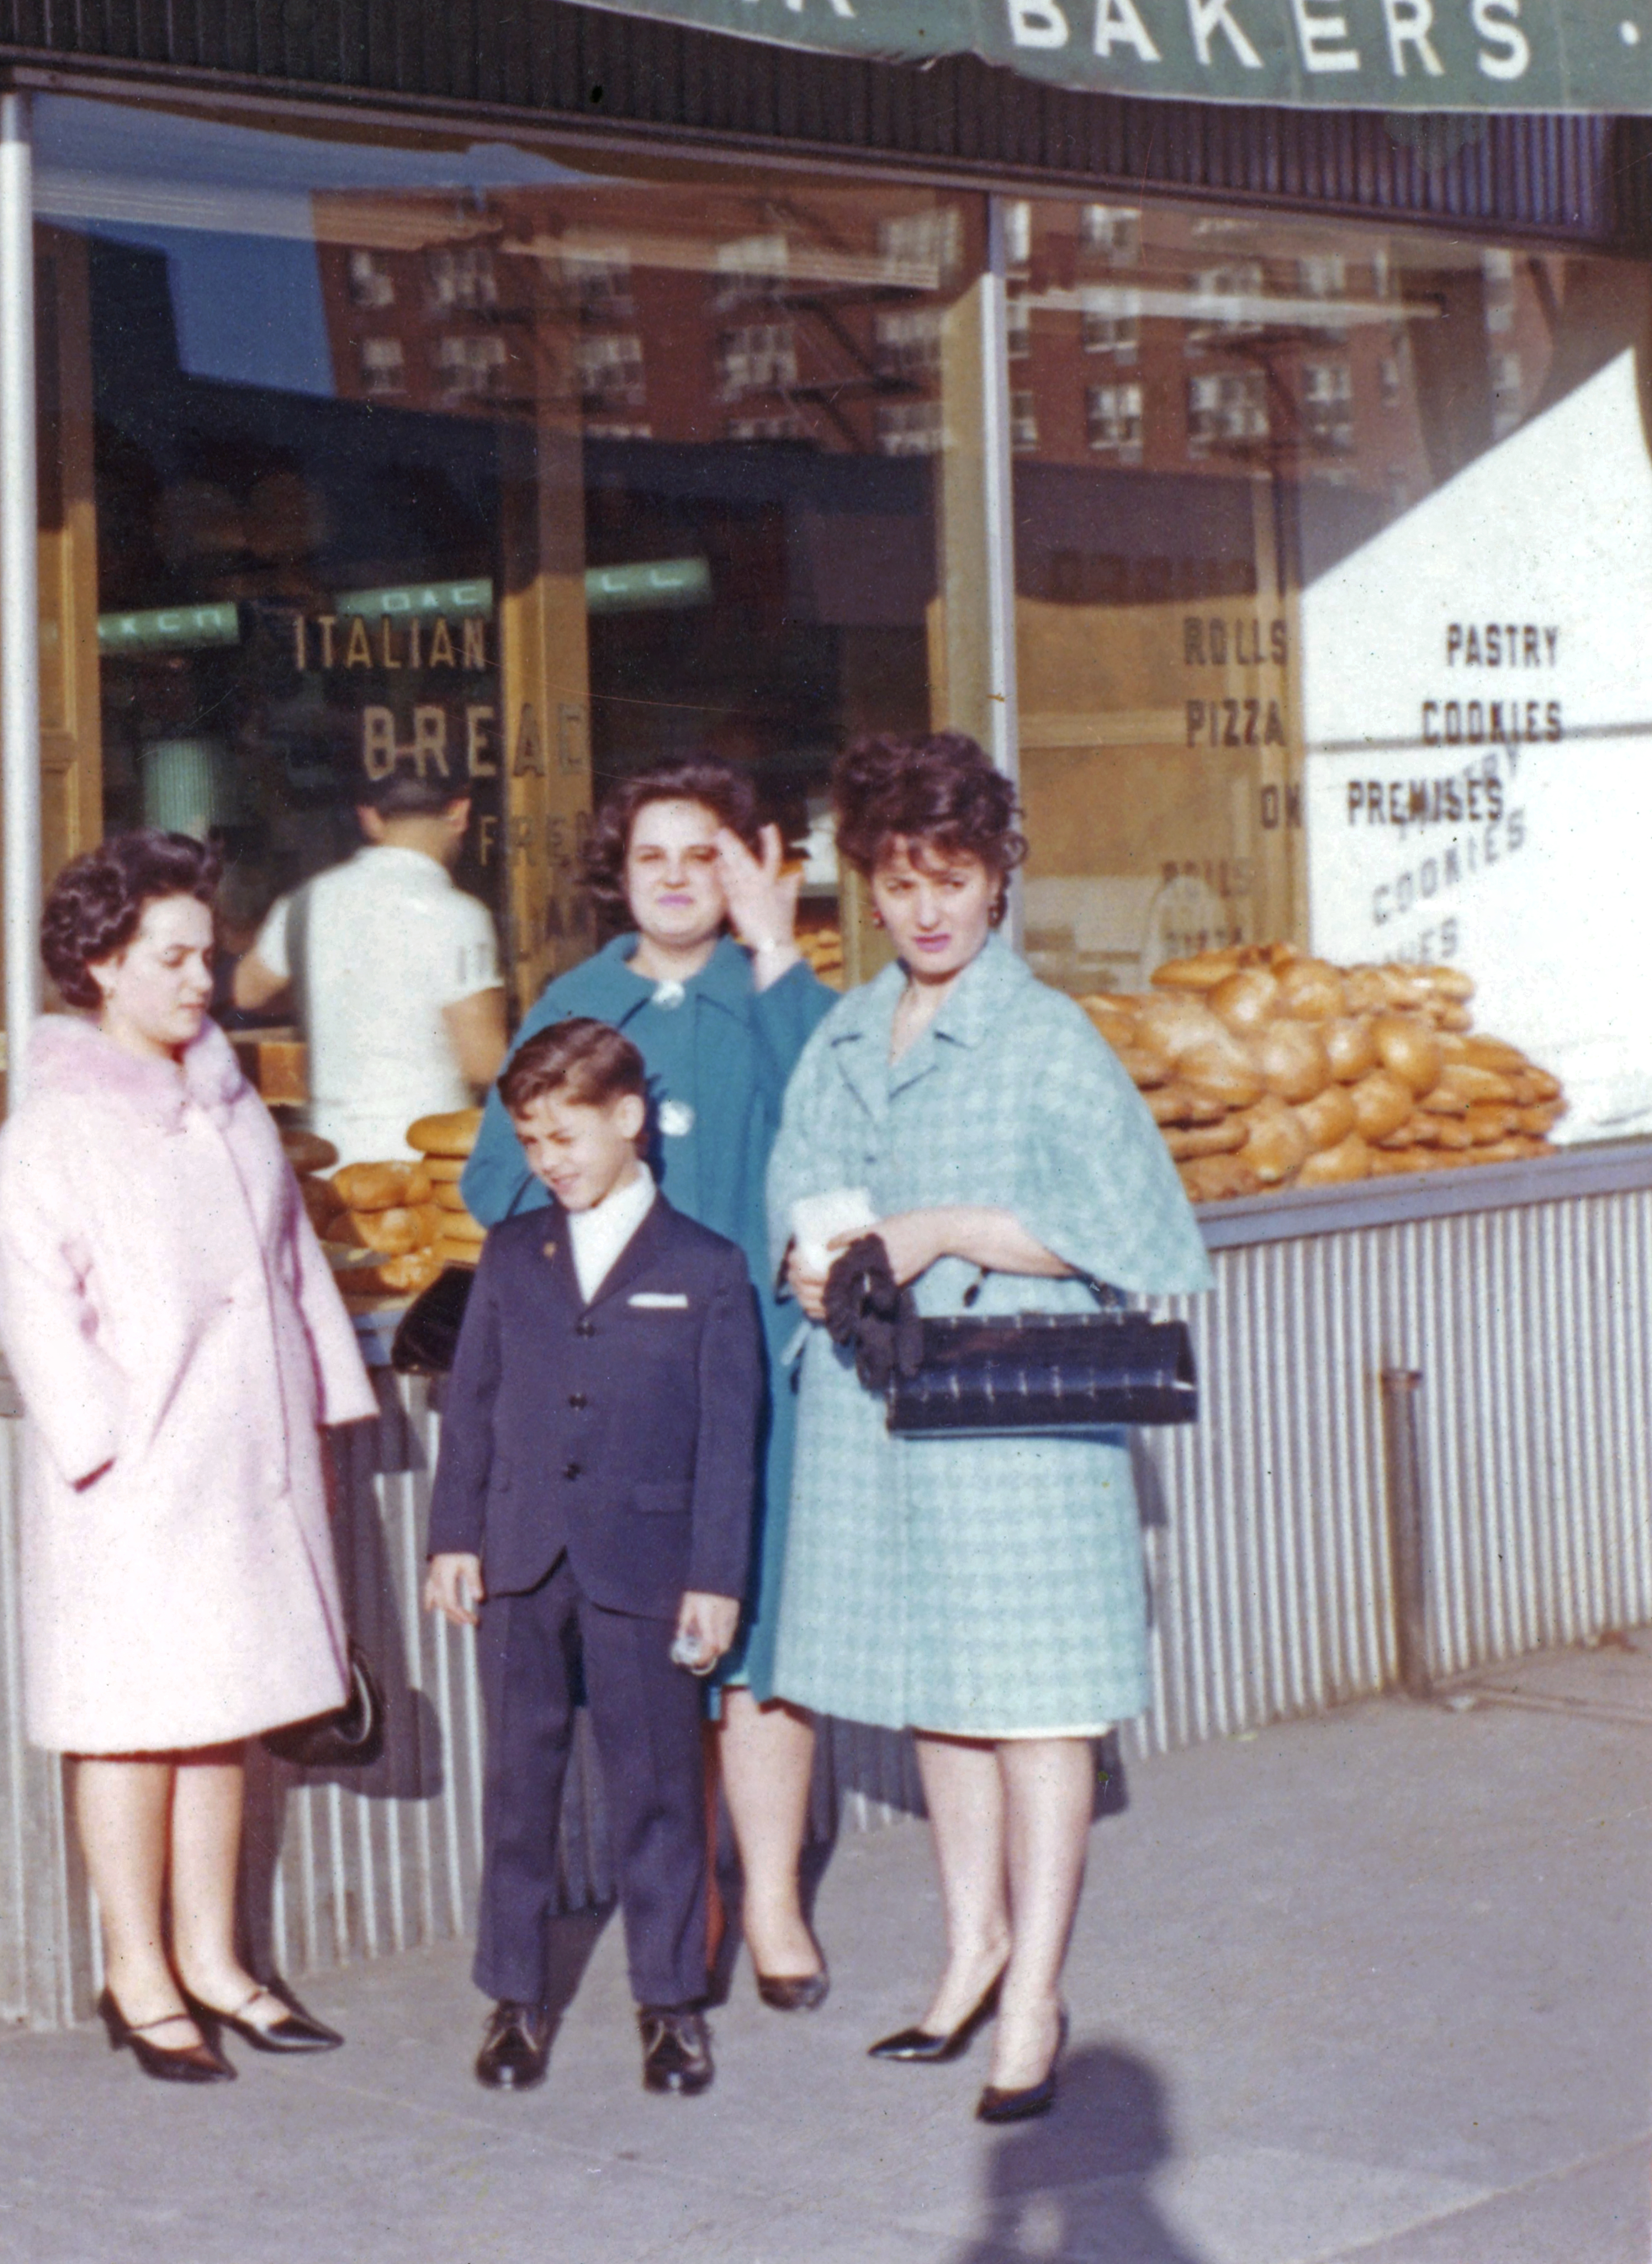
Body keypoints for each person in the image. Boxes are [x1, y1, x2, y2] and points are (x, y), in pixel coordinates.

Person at [766, 730, 1210, 2124]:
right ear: (868, 891)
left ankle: (1036, 1996)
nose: (928, 911)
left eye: (953, 879)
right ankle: (970, 1953)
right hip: (881, 1412)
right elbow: (801, 1190)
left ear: (999, 879)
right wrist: (810, 1255)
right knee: (938, 1694)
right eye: (900, 885)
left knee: (1035, 1709)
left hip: (1016, 1424)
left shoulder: (1046, 1037)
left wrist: (946, 1226)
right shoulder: (842, 1030)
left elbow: (1145, 1232)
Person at [0, 830, 381, 2083]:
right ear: (99, 964)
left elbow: (288, 1265)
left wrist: (317, 1403)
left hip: (246, 1464)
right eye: (173, 958)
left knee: (228, 1717)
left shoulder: (225, 1102)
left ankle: (216, 1961)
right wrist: (110, 1449)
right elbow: (33, 1302)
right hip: (138, 1481)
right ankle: (134, 1971)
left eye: (206, 956)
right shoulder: (52, 1130)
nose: (203, 981)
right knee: (130, 1722)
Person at [460, 762, 836, 2010]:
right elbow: (492, 1180)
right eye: (650, 857)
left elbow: (840, 1134)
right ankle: (679, 1914)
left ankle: (770, 1905)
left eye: (704, 855)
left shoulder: (776, 993)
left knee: (757, 1632)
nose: (677, 878)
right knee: (630, 1635)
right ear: (616, 877)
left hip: (753, 1368)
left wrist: (777, 950)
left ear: (747, 866)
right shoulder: (576, 1001)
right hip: (608, 1389)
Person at [424, 1019, 762, 2099]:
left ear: (628, 1121)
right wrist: (452, 1538)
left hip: (645, 1565)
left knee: (657, 1791)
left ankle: (669, 2007)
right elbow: (468, 1409)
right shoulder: (509, 1258)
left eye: (564, 1137)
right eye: (529, 1144)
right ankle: (513, 1997)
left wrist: (713, 1582)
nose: (548, 1162)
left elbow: (727, 1443)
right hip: (522, 1558)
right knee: (518, 1790)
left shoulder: (704, 1268)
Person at [232, 765, 506, 1166]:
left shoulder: (303, 904)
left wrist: (332, 993)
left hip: (329, 1161)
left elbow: (247, 991)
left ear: (369, 818)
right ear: (460, 813)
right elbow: (482, 1062)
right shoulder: (459, 915)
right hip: (427, 1171)